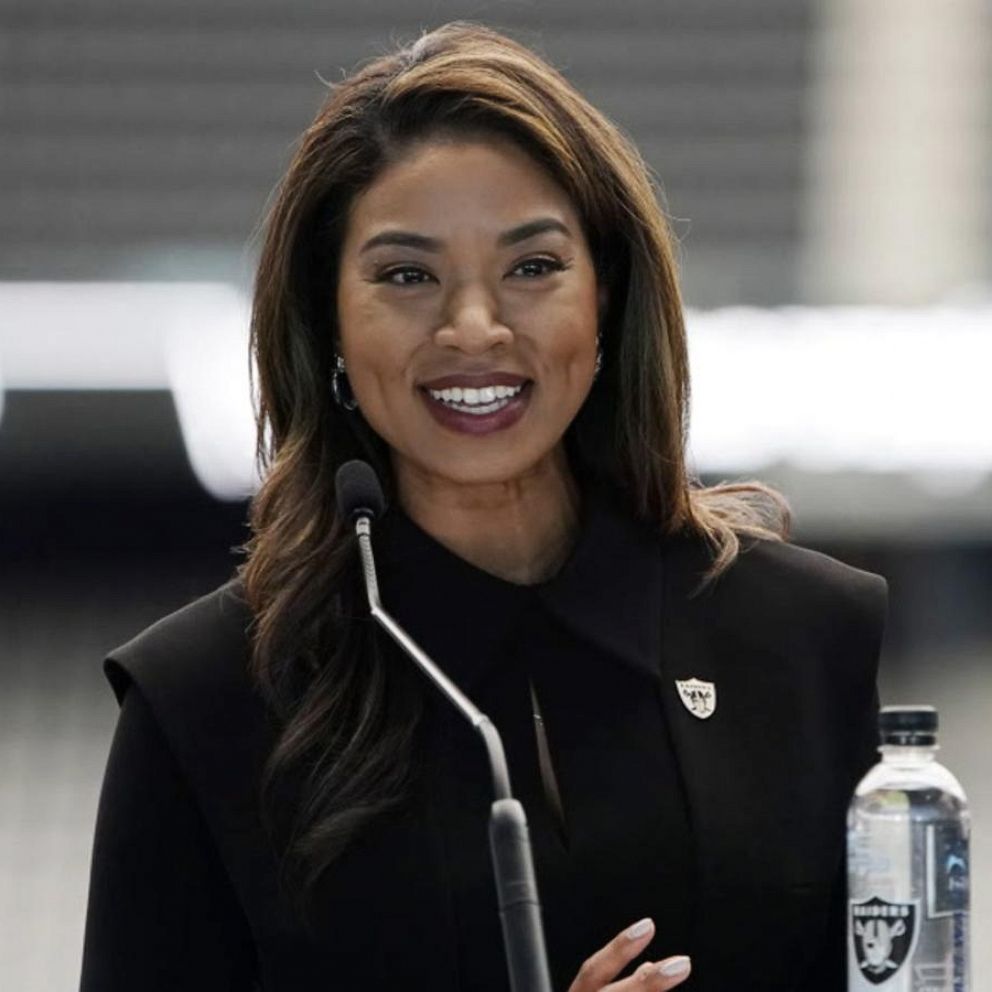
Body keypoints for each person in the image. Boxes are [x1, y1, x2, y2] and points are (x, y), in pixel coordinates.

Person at [79, 21, 888, 992]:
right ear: (326, 319)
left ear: (609, 297)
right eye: (406, 274)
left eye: (532, 266)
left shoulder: (801, 635)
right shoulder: (202, 703)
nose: (473, 326)